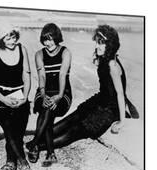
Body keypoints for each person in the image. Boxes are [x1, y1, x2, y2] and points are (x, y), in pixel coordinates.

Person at [26, 24, 139, 162]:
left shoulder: (112, 65)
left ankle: (35, 145)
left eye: (101, 43)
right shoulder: (103, 59)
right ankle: (35, 143)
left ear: (110, 45)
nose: (97, 46)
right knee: (70, 120)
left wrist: (121, 121)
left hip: (108, 110)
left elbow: (121, 94)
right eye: (97, 42)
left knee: (74, 132)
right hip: (98, 101)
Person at [0, 21, 32, 170]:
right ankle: (22, 160)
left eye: (13, 37)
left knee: (17, 129)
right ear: (0, 40)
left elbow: (26, 75)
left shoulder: (22, 49)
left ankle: (10, 163)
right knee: (8, 124)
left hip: (19, 96)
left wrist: (25, 97)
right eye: (8, 39)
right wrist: (3, 100)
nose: (12, 41)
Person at [26, 23, 72, 167]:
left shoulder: (65, 52)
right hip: (44, 90)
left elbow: (62, 74)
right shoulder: (39, 54)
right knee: (47, 110)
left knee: (48, 111)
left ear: (57, 38)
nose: (48, 43)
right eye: (45, 39)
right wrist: (44, 94)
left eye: (51, 39)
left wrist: (58, 95)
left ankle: (34, 144)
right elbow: (42, 76)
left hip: (63, 92)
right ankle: (50, 153)